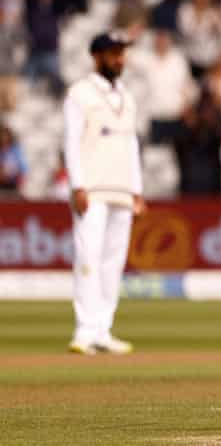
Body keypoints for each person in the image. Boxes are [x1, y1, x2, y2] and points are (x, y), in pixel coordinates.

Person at [63, 31, 145, 355]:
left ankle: (103, 329)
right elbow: (71, 141)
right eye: (113, 53)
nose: (120, 59)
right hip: (93, 189)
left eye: (122, 52)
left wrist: (137, 189)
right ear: (96, 56)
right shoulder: (80, 94)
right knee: (88, 257)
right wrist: (77, 185)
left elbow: (131, 144)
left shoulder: (127, 96)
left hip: (122, 189)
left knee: (113, 262)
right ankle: (84, 331)